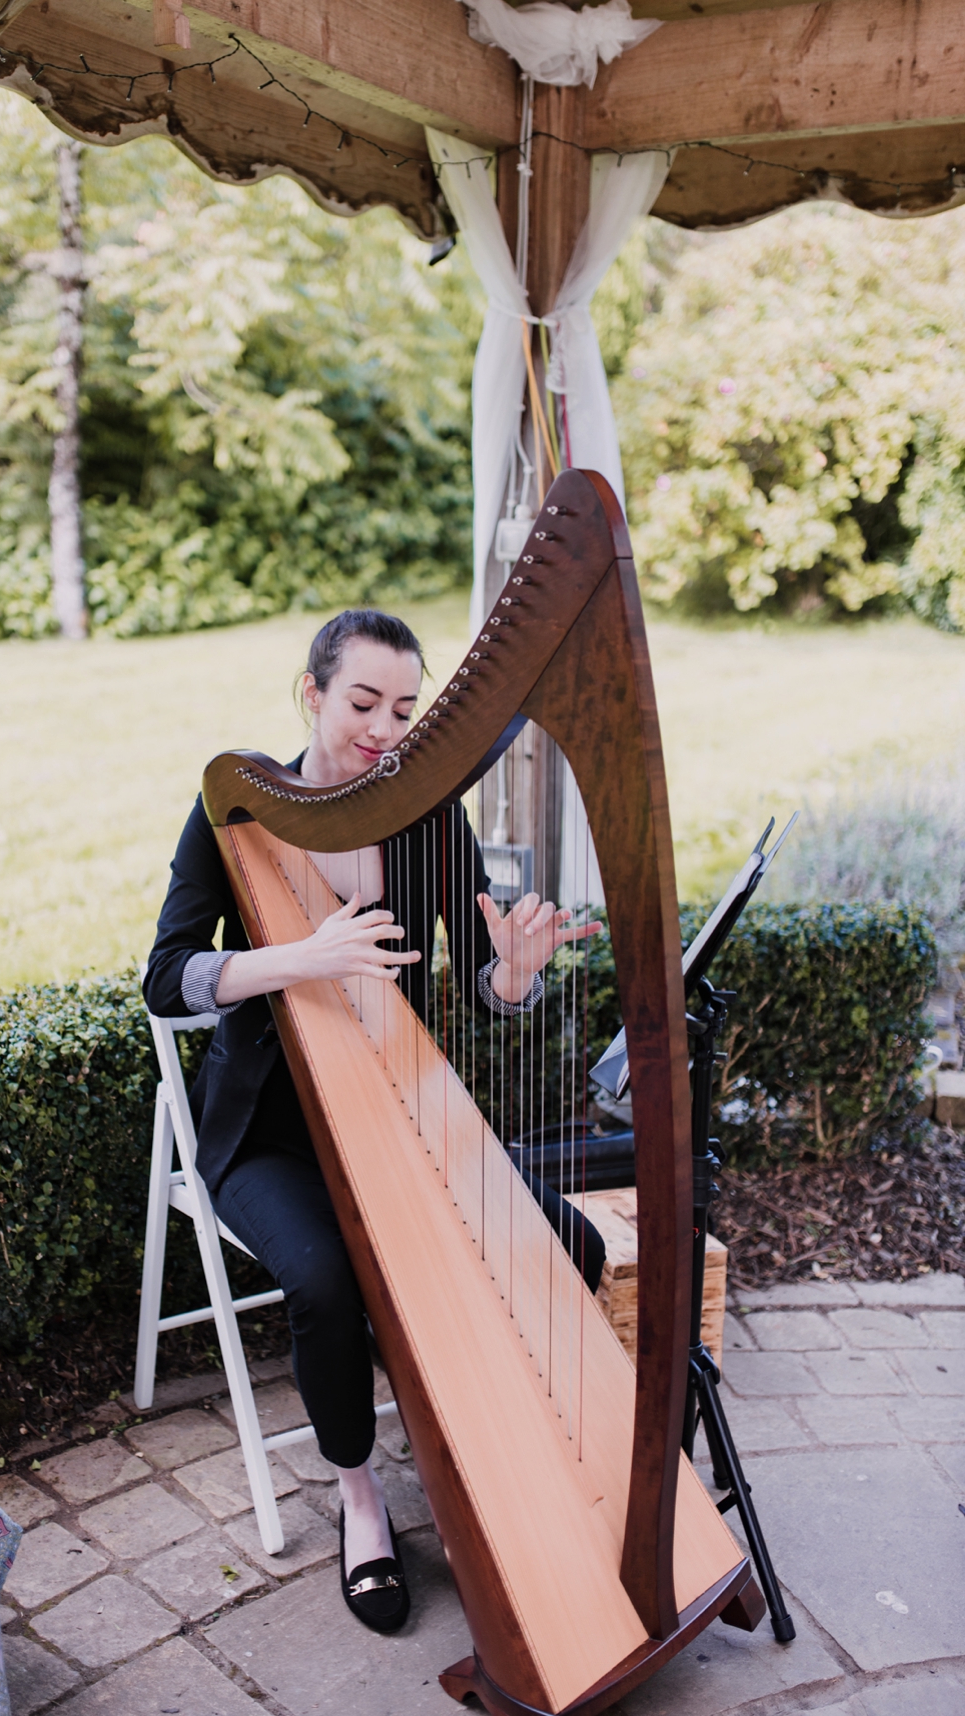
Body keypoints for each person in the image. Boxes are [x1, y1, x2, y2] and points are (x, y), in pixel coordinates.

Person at [143, 608, 605, 1633]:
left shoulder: (426, 817)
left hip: (402, 1105)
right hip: (265, 1130)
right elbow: (165, 979)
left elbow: (487, 978)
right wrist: (298, 961)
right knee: (323, 1277)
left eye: (404, 707)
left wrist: (517, 974)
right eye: (362, 702)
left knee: (563, 1237)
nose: (383, 728)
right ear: (310, 693)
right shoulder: (234, 815)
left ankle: (504, 1431)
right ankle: (361, 1500)